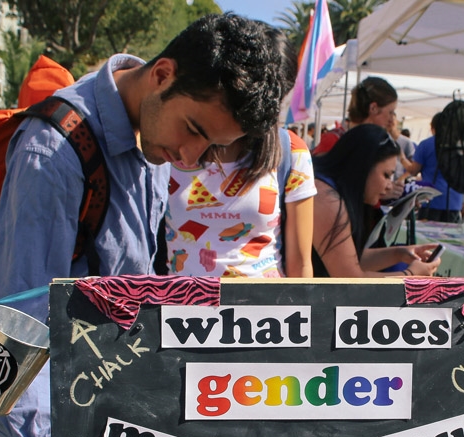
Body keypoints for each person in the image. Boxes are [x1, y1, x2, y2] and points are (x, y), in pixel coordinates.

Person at [0, 13, 291, 437]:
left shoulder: (150, 139)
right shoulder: (51, 152)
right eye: (193, 131)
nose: (190, 160)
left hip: (113, 426)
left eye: (211, 149)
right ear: (162, 74)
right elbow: (1, 331)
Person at [165, 36, 315, 279]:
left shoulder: (290, 150)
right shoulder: (173, 145)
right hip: (180, 312)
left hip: (264, 313)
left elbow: (302, 267)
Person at [312, 124, 440, 278]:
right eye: (386, 175)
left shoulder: (330, 193)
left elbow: (349, 260)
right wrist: (410, 275)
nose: (389, 186)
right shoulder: (327, 200)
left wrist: (399, 254)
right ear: (363, 166)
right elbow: (349, 279)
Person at [401, 112, 464, 223]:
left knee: (427, 238)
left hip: (431, 200)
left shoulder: (426, 144)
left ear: (433, 127)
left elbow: (413, 171)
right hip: (454, 201)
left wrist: (401, 158)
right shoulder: (460, 147)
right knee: (450, 238)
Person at [312, 76, 398, 156]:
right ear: (373, 108)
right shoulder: (334, 140)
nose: (392, 119)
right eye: (390, 112)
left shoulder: (376, 143)